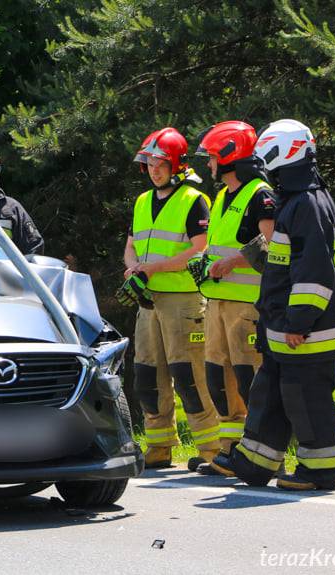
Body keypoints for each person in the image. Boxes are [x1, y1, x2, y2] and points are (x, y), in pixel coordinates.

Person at [210, 119, 335, 490]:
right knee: (270, 393)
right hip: (283, 325)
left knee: (305, 399)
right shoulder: (295, 198)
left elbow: (313, 272)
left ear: (282, 154)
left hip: (308, 332)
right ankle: (255, 463)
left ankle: (320, 471)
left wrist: (298, 323)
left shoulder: (307, 203)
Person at [123, 127, 221, 469]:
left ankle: (212, 448)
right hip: (149, 301)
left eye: (161, 164)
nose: (154, 170)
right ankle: (159, 446)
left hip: (183, 301)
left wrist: (155, 268)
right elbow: (131, 245)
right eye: (150, 164)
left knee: (189, 374)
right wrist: (132, 268)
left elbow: (200, 249)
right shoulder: (142, 201)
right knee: (148, 376)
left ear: (177, 164)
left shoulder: (194, 200)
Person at [191, 121, 277, 473]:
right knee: (219, 377)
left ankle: (263, 453)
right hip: (217, 302)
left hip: (247, 305)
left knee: (249, 378)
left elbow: (271, 243)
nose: (209, 164)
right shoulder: (223, 196)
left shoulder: (260, 194)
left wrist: (231, 263)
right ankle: (230, 452)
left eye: (212, 157)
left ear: (230, 156)